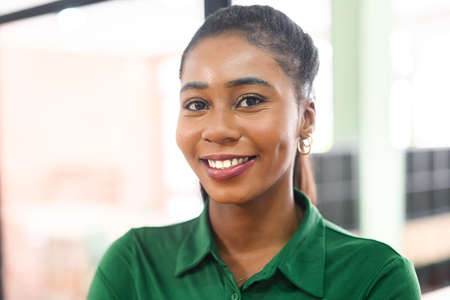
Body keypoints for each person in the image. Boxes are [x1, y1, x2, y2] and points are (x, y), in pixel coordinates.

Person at [87, 5, 421, 299]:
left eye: (249, 100)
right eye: (197, 104)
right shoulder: (135, 265)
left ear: (305, 119)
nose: (217, 130)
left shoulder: (375, 278)